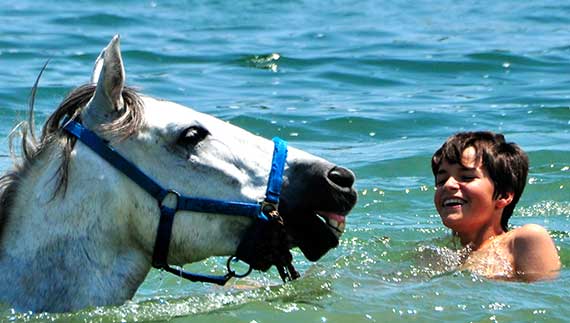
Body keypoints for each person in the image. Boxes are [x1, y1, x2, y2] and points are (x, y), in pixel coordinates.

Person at [431, 131, 560, 281]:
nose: (448, 185)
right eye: (441, 180)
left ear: (504, 195)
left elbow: (544, 296)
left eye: (466, 177)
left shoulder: (523, 240)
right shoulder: (438, 253)